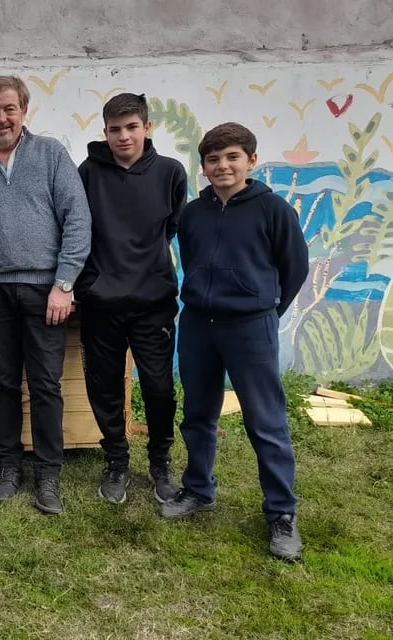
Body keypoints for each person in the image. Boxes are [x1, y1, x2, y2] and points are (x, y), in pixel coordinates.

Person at [161, 122, 309, 561]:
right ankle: (199, 490)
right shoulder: (192, 213)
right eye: (213, 159)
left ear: (251, 161)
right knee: (198, 414)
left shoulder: (273, 210)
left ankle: (281, 514)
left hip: (251, 328)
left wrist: (264, 312)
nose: (222, 166)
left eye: (232, 157)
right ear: (203, 166)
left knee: (266, 423)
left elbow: (294, 269)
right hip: (198, 327)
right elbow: (188, 257)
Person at [0, 75, 92, 515]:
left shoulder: (50, 155)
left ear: (24, 112)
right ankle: (8, 464)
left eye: (10, 108)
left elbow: (77, 222)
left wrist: (64, 284)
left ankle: (48, 474)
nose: (2, 117)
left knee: (46, 384)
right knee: (4, 382)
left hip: (46, 291)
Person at [75, 93, 187, 505]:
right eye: (115, 129)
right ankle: (117, 461)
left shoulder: (171, 173)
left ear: (147, 128)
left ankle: (160, 461)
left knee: (158, 388)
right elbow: (76, 230)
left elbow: (171, 227)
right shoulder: (87, 173)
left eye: (132, 127)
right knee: (103, 387)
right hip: (100, 303)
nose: (124, 136)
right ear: (105, 132)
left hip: (152, 302)